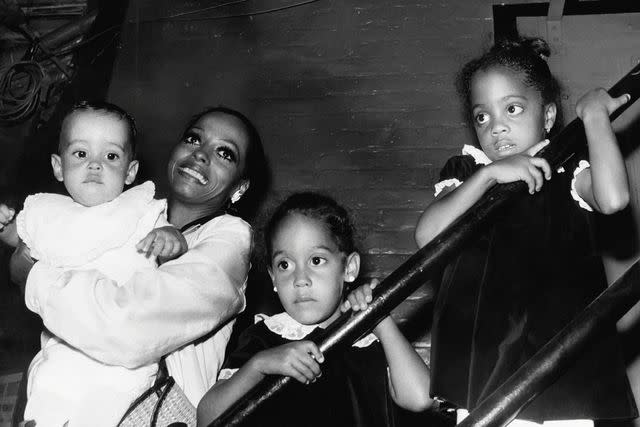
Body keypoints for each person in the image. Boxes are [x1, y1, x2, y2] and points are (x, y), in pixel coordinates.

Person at [414, 37, 637, 426]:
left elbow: (614, 199)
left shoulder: (567, 169)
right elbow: (427, 235)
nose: (497, 128)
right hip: (487, 367)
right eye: (482, 117)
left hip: (565, 366)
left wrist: (596, 119)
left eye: (513, 109)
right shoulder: (468, 173)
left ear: (547, 117)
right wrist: (487, 177)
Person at [4, 105, 267, 423]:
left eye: (225, 153)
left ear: (240, 187)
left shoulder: (230, 236)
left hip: (148, 411)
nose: (200, 155)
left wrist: (33, 277)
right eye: (194, 139)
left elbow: (126, 328)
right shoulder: (123, 212)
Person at [0, 101, 189, 426]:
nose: (95, 165)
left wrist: (172, 238)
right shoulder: (48, 212)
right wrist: (4, 226)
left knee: (106, 409)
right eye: (81, 154)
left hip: (123, 360)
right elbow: (22, 240)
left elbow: (173, 245)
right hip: (65, 347)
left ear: (130, 171)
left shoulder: (141, 210)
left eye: (111, 156)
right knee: (49, 396)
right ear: (58, 167)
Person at [197, 192, 433, 427]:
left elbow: (420, 398)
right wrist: (258, 366)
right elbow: (206, 417)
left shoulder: (370, 341)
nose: (300, 279)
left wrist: (379, 319)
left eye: (316, 260)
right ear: (273, 279)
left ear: (349, 268)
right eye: (285, 265)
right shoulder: (264, 338)